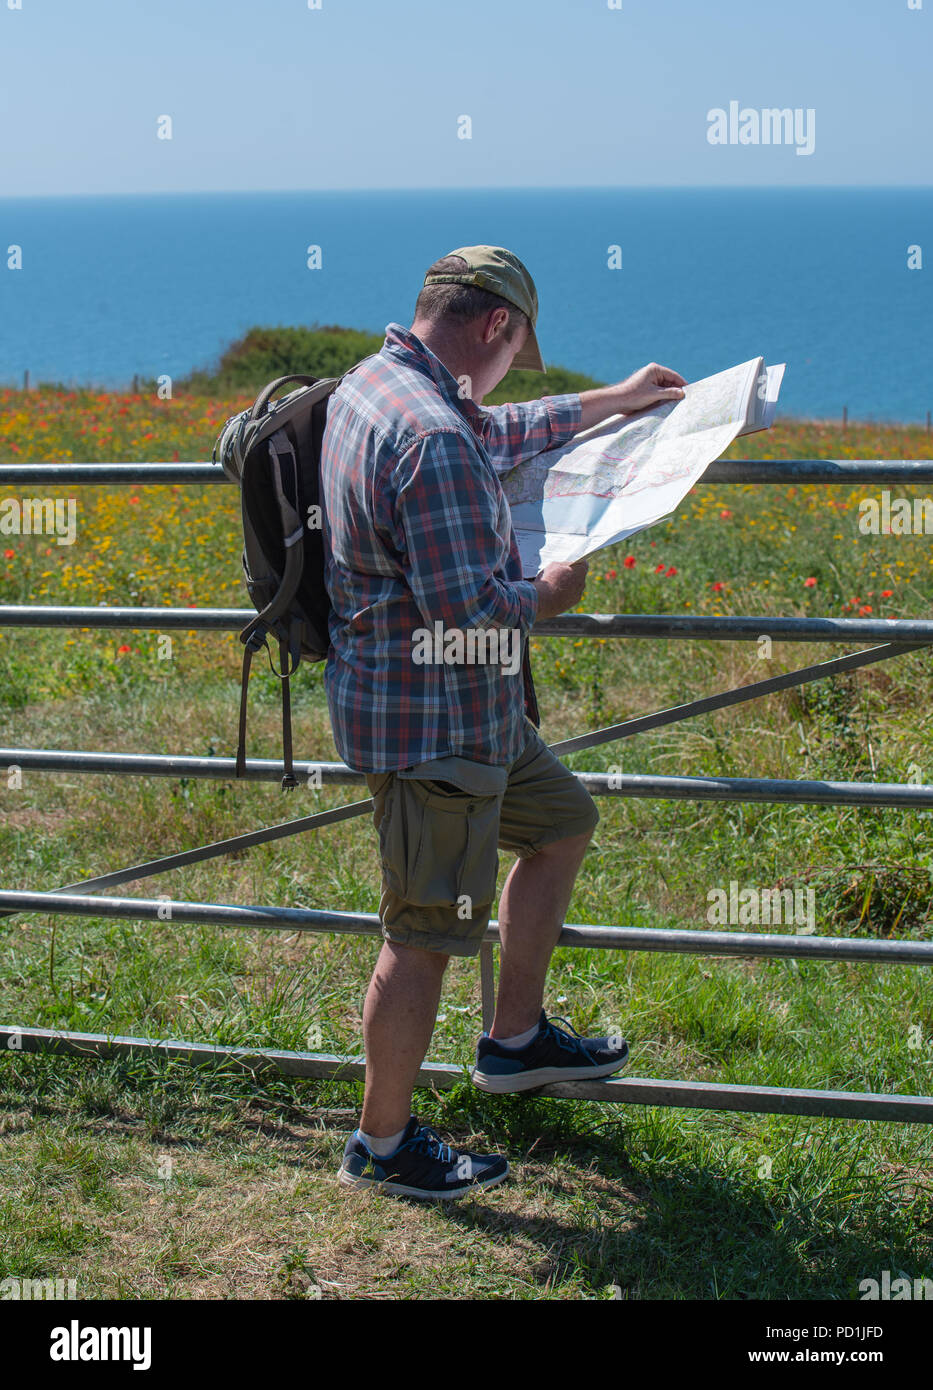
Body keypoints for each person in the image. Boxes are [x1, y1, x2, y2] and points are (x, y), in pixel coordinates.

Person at [321, 245, 685, 1200]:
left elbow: (493, 426)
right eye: (514, 349)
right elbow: (467, 614)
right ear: (494, 324)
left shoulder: (380, 384)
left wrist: (608, 401)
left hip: (461, 714)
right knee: (426, 931)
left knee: (562, 822)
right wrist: (549, 594)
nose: (505, 377)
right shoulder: (434, 436)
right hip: (431, 724)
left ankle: (513, 1041)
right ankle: (383, 1144)